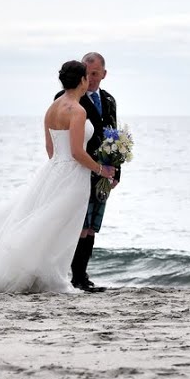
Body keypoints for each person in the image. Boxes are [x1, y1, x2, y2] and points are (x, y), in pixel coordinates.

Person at [0, 60, 116, 293]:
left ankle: (38, 273)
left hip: (53, 171)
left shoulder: (53, 108)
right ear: (82, 80)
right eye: (86, 77)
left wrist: (59, 167)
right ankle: (53, 277)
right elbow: (77, 152)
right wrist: (103, 171)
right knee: (63, 227)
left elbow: (50, 148)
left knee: (48, 224)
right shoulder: (78, 110)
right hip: (73, 175)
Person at [53, 51, 120, 292]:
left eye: (94, 73)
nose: (90, 78)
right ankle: (76, 277)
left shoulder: (110, 100)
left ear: (103, 73)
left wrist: (115, 172)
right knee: (79, 224)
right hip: (82, 167)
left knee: (93, 225)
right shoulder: (68, 99)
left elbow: (114, 135)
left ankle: (83, 274)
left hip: (104, 171)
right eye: (86, 73)